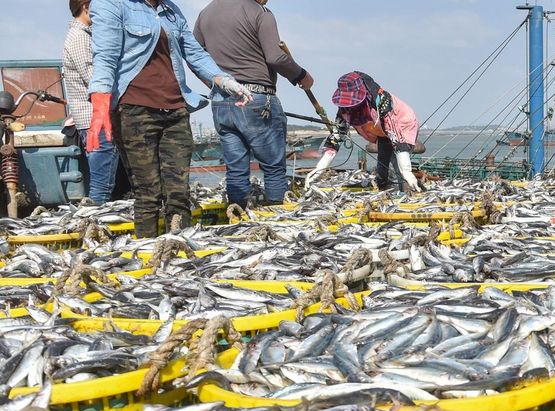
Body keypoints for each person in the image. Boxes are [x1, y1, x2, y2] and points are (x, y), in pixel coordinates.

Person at [87, 0, 252, 238]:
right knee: (147, 193)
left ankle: (180, 248)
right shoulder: (111, 4)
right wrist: (100, 105)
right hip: (134, 111)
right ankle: (145, 248)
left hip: (175, 110)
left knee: (178, 193)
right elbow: (105, 56)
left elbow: (195, 54)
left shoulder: (170, 10)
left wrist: (226, 81)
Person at [194, 0, 313, 207]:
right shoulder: (260, 13)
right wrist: (301, 75)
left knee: (236, 169)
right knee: (273, 167)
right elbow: (276, 57)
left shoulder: (205, 13)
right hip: (257, 99)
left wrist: (217, 84)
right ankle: (277, 217)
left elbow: (196, 57)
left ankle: (237, 218)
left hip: (221, 101)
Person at [308, 72, 422, 193]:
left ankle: (407, 192)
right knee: (383, 155)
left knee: (397, 161)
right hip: (381, 130)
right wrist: (320, 167)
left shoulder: (381, 100)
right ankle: (382, 184)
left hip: (403, 123)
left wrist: (407, 171)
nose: (350, 107)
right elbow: (336, 137)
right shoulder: (345, 109)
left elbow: (397, 137)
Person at [62, 0, 120, 204]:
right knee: (102, 187)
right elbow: (94, 79)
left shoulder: (85, 36)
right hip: (95, 120)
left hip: (96, 119)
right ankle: (94, 223)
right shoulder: (79, 38)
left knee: (106, 184)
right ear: (86, 7)